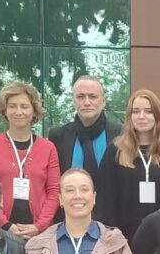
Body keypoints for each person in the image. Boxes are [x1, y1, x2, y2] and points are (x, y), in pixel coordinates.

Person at [0, 82, 60, 240]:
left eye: (24, 106)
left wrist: (39, 225)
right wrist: (5, 224)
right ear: (5, 111)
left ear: (34, 111)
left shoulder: (48, 148)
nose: (18, 112)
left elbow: (54, 191)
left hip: (39, 234)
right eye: (12, 106)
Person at [48, 76, 123, 221]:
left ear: (103, 101)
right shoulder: (58, 136)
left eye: (93, 96)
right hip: (69, 219)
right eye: (81, 96)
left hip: (112, 220)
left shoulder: (121, 134)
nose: (87, 102)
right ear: (74, 100)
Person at [105, 88, 160, 240]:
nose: (142, 116)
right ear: (129, 116)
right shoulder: (115, 150)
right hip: (123, 236)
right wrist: (112, 232)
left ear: (157, 115)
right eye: (136, 111)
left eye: (148, 111)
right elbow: (106, 197)